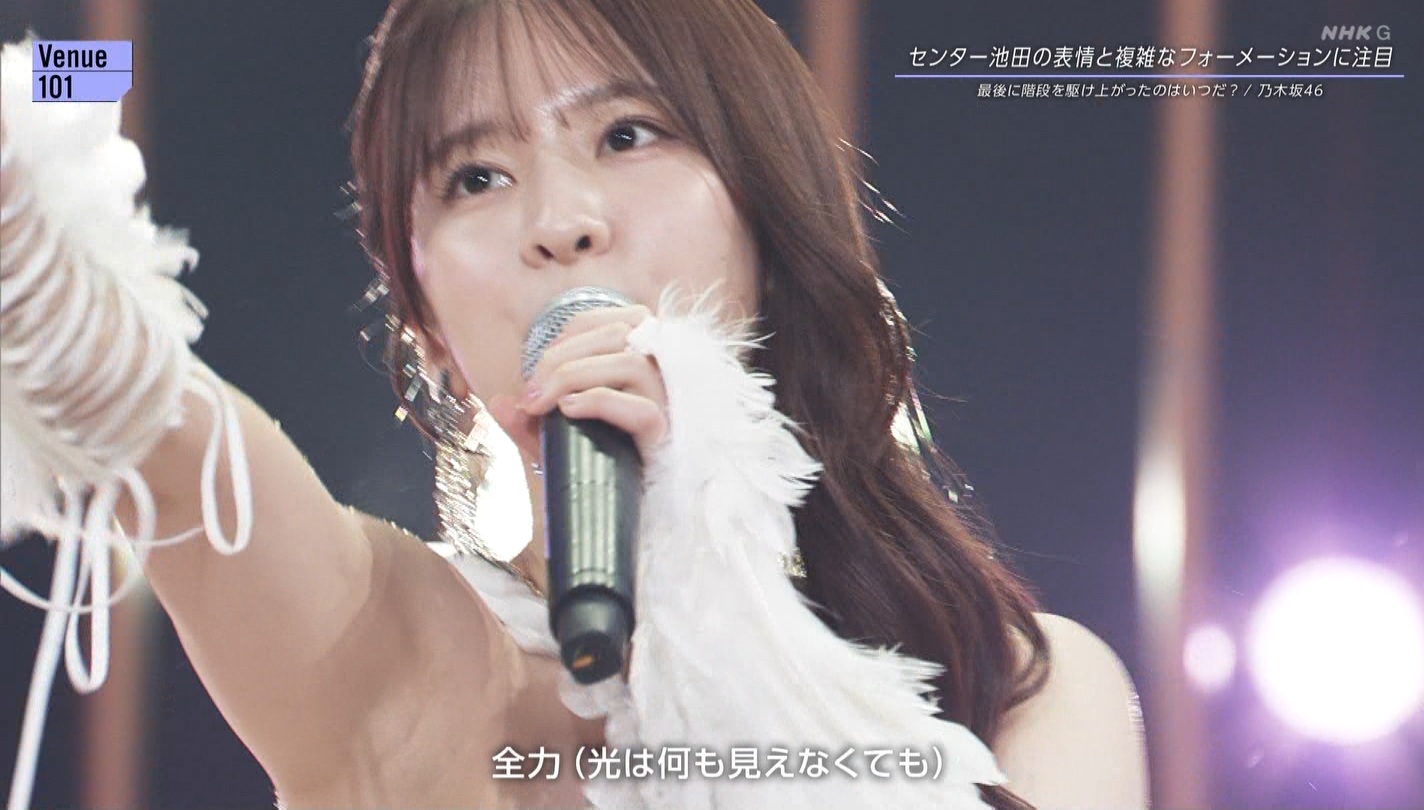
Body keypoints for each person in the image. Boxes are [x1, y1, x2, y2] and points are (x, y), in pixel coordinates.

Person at [0, 1, 1149, 808]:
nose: (560, 221)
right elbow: (141, 403)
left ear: (768, 212)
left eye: (627, 133)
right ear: (428, 321)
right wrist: (33, 135)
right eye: (476, 177)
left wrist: (701, 542)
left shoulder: (1022, 690)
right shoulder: (391, 647)